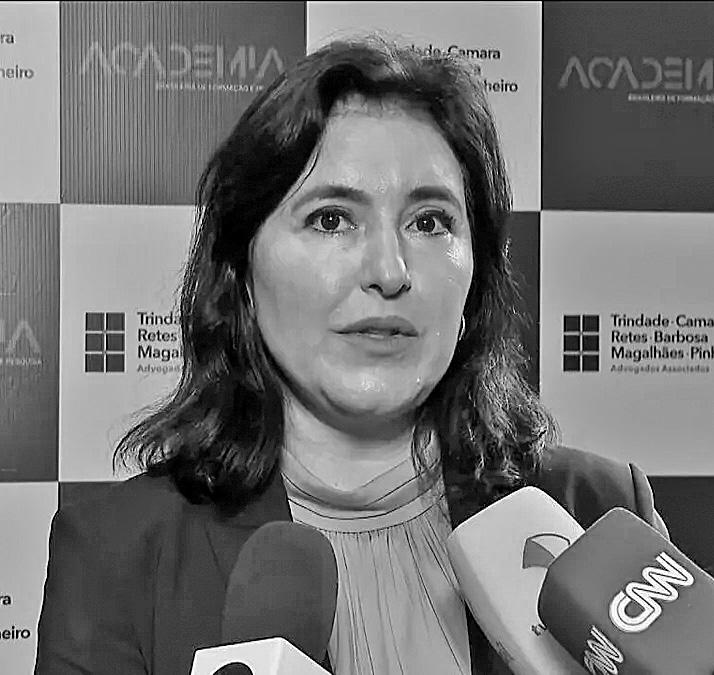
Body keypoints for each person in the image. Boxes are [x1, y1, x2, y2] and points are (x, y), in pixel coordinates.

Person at [34, 36, 668, 675]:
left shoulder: (600, 511)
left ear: (476, 275)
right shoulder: (116, 559)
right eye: (332, 219)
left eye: (429, 222)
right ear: (242, 272)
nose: (389, 272)